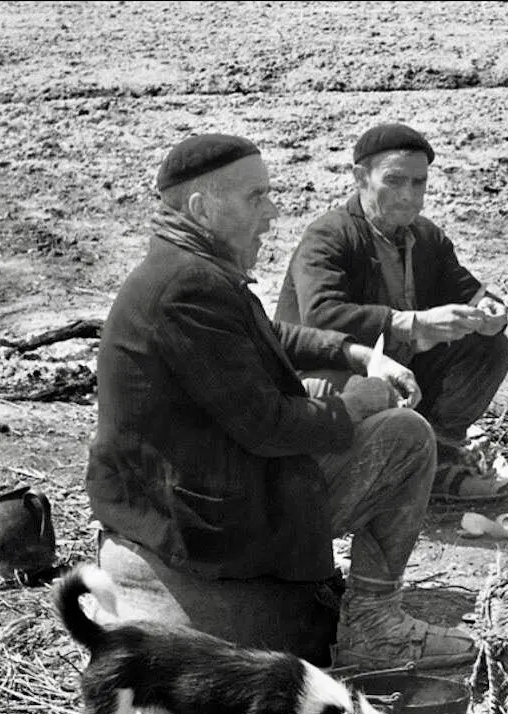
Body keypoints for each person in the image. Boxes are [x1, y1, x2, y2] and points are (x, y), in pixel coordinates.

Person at [85, 133, 476, 671]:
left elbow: (267, 335)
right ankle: (373, 628)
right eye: (255, 198)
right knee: (406, 437)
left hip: (194, 492)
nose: (271, 213)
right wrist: (354, 404)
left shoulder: (187, 267)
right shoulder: (187, 287)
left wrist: (358, 354)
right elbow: (266, 427)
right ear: (203, 207)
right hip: (201, 519)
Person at [275, 122, 508, 501]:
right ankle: (388, 469)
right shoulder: (329, 235)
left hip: (401, 372)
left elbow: (471, 293)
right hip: (328, 375)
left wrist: (490, 313)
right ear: (361, 178)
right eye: (395, 181)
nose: (408, 196)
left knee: (490, 349)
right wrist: (410, 323)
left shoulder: (425, 237)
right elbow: (321, 316)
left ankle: (437, 453)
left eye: (418, 183)